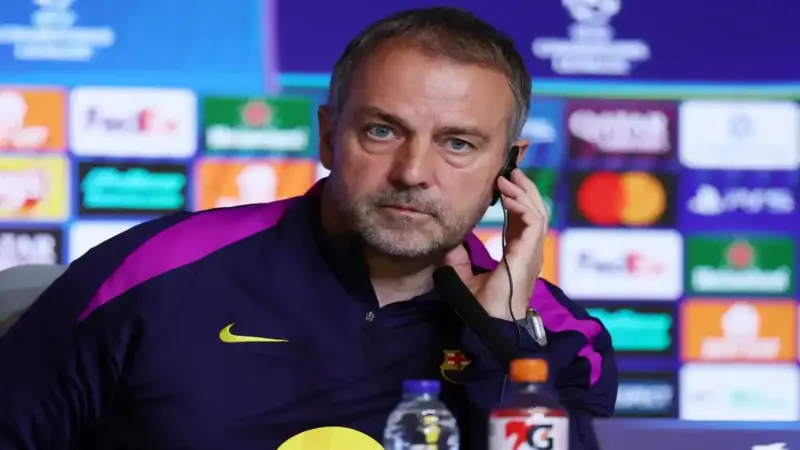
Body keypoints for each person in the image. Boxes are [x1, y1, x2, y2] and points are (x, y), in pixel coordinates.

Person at [0, 7, 617, 450]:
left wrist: (501, 337)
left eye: (458, 143)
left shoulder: (557, 337)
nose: (413, 172)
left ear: (508, 166)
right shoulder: (153, 273)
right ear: (327, 136)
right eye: (382, 131)